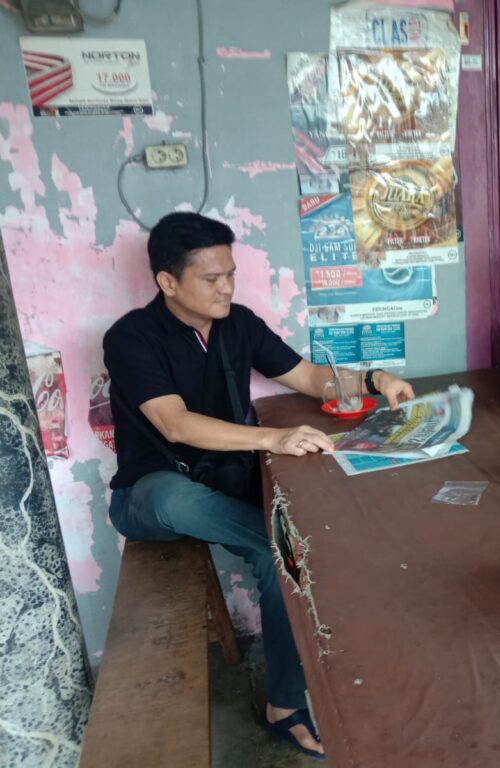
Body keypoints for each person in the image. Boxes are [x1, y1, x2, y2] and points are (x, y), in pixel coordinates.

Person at [104, 212, 414, 758]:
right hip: (153, 496)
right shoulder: (131, 338)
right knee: (181, 500)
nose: (227, 287)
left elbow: (311, 377)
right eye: (211, 278)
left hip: (225, 481)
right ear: (168, 282)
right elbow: (174, 424)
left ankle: (285, 702)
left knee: (285, 552)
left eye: (230, 274)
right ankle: (295, 686)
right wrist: (273, 439)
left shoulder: (238, 324)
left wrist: (375, 378)